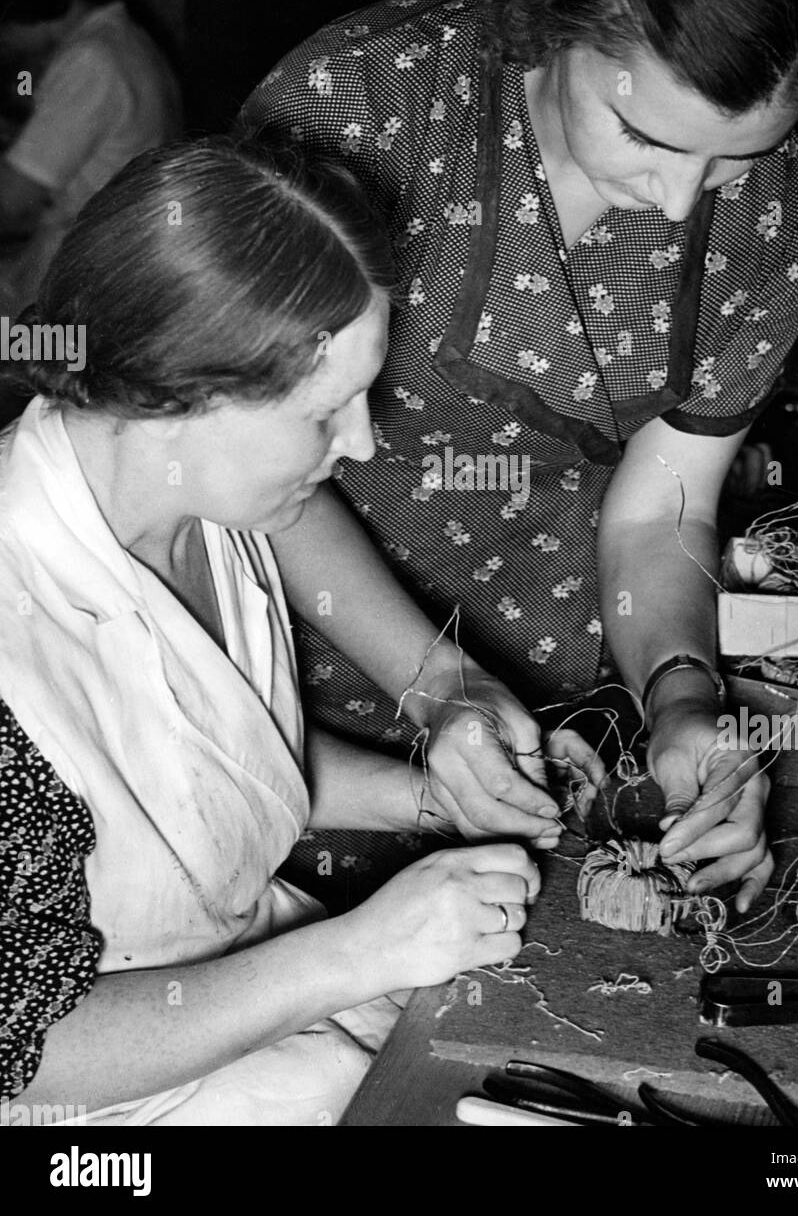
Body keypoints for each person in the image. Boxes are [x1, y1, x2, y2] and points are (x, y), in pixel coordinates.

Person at [241, 0, 798, 913]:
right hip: (294, 678)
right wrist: (437, 683)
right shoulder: (365, 105)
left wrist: (679, 696)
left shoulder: (778, 207)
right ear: (556, 23)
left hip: (554, 694)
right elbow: (247, 457)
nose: (679, 201)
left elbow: (660, 514)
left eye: (733, 156)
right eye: (642, 135)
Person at [0, 137, 597, 1126]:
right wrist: (362, 950)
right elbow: (30, 1053)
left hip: (249, 999)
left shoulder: (199, 503)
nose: (361, 442)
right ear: (182, 398)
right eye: (328, 411)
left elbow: (198, 775)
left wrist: (433, 796)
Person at [0, 0, 182, 312]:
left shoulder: (92, 61)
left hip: (84, 290)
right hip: (103, 261)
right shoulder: (119, 34)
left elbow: (12, 200)